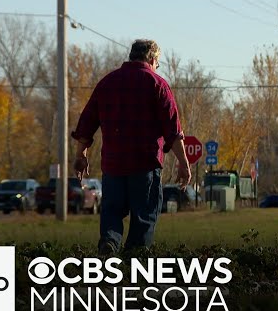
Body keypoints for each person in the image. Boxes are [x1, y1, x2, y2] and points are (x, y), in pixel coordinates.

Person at [71, 39, 191, 256]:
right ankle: (133, 263)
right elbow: (173, 130)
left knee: (111, 212)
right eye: (158, 63)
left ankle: (109, 243)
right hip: (144, 165)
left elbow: (86, 123)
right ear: (153, 59)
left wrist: (81, 155)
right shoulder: (157, 84)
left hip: (113, 165)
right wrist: (183, 163)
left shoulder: (107, 83)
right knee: (144, 217)